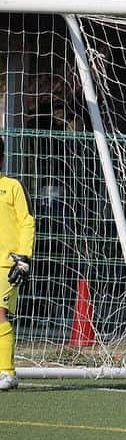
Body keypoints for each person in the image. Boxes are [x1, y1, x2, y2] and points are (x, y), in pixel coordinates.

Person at [0, 137, 35, 391]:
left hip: (6, 264)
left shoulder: (12, 187)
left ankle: (7, 373)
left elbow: (26, 221)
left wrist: (24, 258)